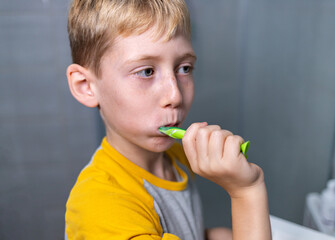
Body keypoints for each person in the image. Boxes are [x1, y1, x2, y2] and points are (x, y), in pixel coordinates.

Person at [65, 0, 272, 239]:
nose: (175, 96)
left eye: (184, 68)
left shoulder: (178, 157)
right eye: (146, 72)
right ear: (86, 86)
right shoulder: (100, 207)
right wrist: (246, 192)